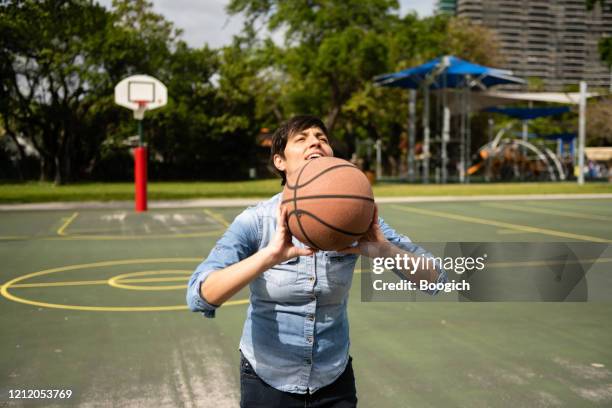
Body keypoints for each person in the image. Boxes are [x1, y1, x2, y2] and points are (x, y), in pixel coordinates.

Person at [187, 115, 447, 407]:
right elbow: (199, 296)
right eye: (302, 138)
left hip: (332, 378)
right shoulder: (257, 221)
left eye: (322, 138)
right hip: (267, 379)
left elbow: (437, 279)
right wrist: (268, 256)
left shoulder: (357, 218)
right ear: (279, 162)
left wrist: (386, 252)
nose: (315, 142)